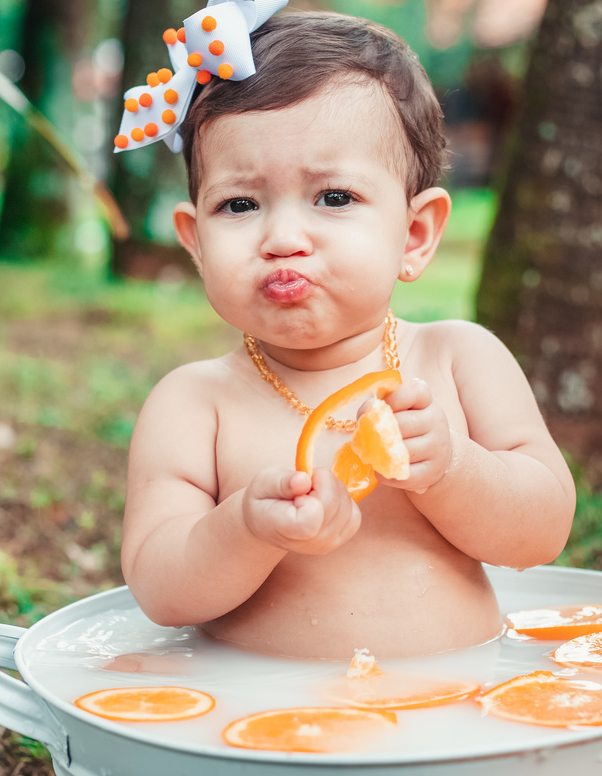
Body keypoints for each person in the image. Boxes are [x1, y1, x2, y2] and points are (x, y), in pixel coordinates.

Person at [119, 9, 576, 660]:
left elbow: (544, 529)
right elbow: (160, 588)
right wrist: (247, 528)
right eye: (240, 204)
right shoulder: (194, 405)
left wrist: (452, 469)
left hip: (456, 703)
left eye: (333, 197)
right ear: (194, 241)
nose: (281, 239)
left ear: (415, 235)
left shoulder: (460, 361)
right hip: (262, 726)